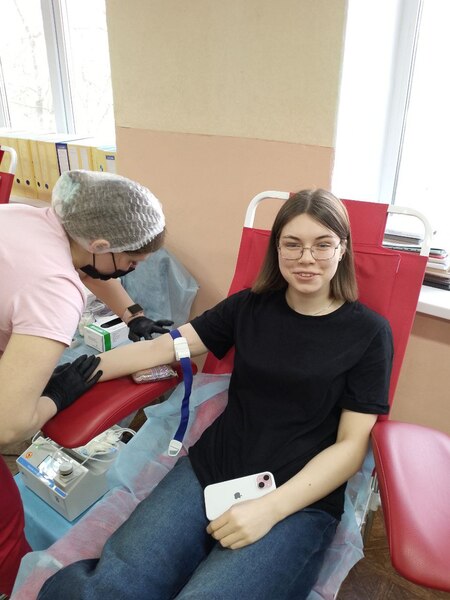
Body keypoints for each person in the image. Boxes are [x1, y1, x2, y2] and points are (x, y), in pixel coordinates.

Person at [37, 189, 393, 600]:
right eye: (292, 244)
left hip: (296, 497)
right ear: (277, 249)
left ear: (342, 249)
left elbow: (350, 447)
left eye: (322, 244)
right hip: (213, 468)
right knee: (111, 586)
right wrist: (78, 374)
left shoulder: (369, 333)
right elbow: (166, 347)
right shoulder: (250, 307)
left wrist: (271, 508)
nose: (306, 258)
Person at [0, 169, 168, 597]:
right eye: (132, 262)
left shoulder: (26, 218)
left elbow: (91, 271)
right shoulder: (54, 290)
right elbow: (8, 425)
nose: (130, 270)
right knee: (4, 518)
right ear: (101, 245)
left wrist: (134, 315)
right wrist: (56, 396)